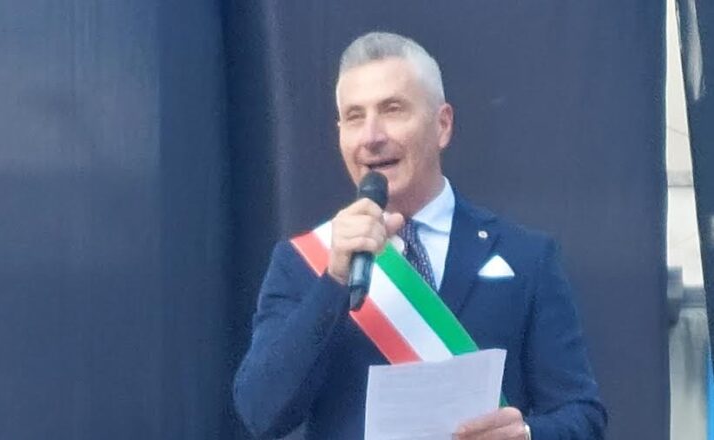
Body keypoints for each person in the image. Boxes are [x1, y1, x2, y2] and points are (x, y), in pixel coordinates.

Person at [233, 31, 607, 440]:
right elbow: (260, 412)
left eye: (392, 109)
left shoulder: (525, 257)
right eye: (355, 117)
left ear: (442, 125)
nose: (372, 136)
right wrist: (335, 281)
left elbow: (582, 415)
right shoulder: (304, 262)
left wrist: (527, 434)